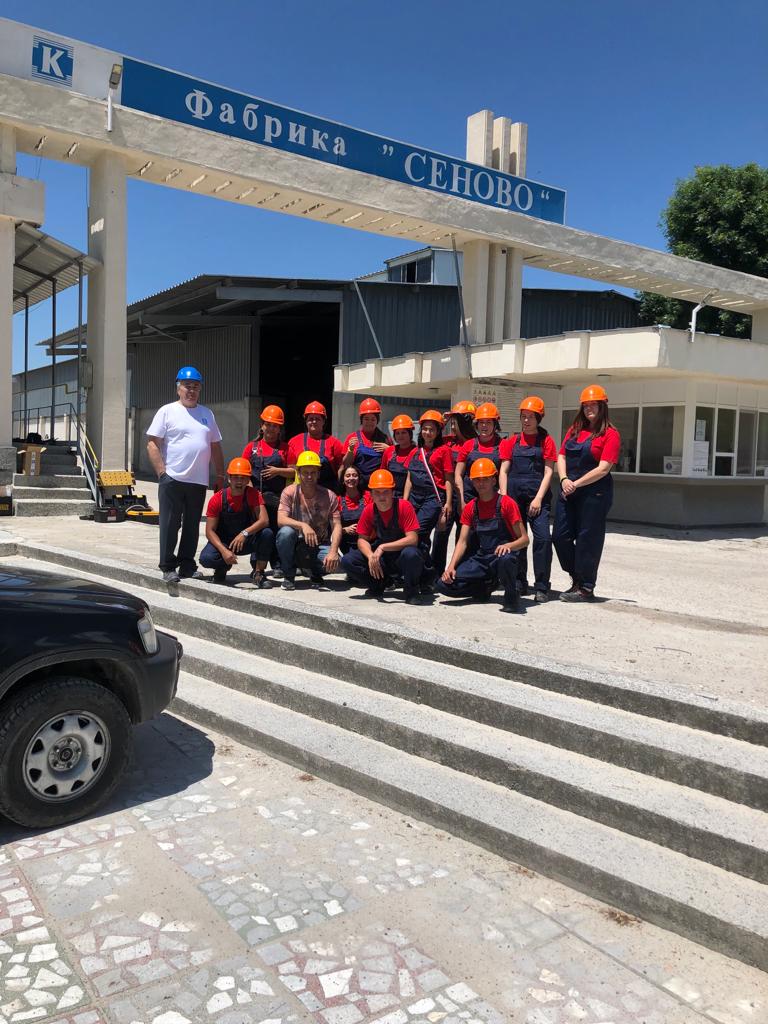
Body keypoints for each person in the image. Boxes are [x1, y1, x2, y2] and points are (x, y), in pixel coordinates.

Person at [146, 366, 225, 584]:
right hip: (173, 478)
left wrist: (220, 475)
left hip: (198, 481)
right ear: (178, 388)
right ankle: (168, 566)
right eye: (187, 386)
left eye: (195, 387)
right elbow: (152, 444)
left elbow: (215, 446)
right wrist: (162, 473)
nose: (191, 391)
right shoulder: (167, 411)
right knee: (170, 524)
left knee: (192, 525)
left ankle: (187, 565)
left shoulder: (207, 414)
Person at [553, 384, 621, 602]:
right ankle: (576, 577)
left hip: (595, 493)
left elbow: (603, 468)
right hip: (569, 489)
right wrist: (564, 479)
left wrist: (576, 483)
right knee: (560, 536)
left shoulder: (610, 434)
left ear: (602, 407)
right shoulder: (574, 430)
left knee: (587, 539)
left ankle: (585, 587)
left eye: (593, 404)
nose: (589, 408)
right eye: (586, 405)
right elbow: (561, 456)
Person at [436, 458, 528, 613]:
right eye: (477, 480)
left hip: (504, 557)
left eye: (485, 479)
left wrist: (509, 546)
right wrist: (451, 567)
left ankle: (511, 596)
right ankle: (483, 587)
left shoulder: (506, 503)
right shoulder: (471, 507)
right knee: (443, 585)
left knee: (506, 559)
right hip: (483, 558)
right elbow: (462, 542)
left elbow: (524, 539)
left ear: (494, 480)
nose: (481, 483)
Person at [499, 396, 557, 603]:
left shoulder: (547, 441)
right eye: (523, 416)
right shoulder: (511, 442)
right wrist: (504, 496)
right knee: (517, 540)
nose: (526, 421)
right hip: (514, 497)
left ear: (539, 418)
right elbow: (503, 470)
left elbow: (549, 472)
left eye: (531, 417)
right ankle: (519, 581)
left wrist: (539, 499)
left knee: (543, 539)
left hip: (537, 498)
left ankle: (542, 586)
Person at [341, 468, 426, 604]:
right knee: (347, 560)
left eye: (385, 492)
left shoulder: (404, 506)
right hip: (383, 559)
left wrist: (383, 547)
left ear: (392, 492)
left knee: (412, 554)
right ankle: (378, 584)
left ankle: (412, 591)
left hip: (401, 556)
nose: (381, 497)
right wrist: (370, 556)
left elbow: (413, 539)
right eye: (377, 492)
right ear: (371, 494)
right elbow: (362, 540)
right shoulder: (369, 510)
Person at [199, 458, 274, 587]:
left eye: (243, 478)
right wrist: (223, 551)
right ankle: (222, 567)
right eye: (236, 477)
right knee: (206, 559)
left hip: (247, 540)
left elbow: (264, 520)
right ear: (229, 478)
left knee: (267, 534)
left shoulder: (253, 494)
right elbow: (210, 531)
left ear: (248, 480)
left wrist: (244, 533)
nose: (239, 481)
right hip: (225, 541)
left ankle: (259, 573)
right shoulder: (217, 499)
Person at [276, 450, 342, 591]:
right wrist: (303, 526)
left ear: (318, 474)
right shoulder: (289, 492)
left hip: (319, 544)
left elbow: (337, 526)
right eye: (305, 472)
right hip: (295, 543)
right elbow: (280, 519)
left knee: (337, 563)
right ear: (298, 473)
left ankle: (314, 572)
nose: (309, 476)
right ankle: (289, 575)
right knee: (285, 533)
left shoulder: (330, 496)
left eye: (313, 472)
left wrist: (334, 551)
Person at [242, 405, 293, 578]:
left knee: (277, 530)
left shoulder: (285, 448)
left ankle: (277, 564)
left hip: (277, 499)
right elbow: (244, 472)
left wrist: (278, 471)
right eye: (268, 424)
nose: (271, 428)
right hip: (256, 498)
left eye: (275, 425)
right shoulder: (251, 447)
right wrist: (250, 492)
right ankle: (256, 565)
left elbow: (295, 471)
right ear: (262, 426)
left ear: (280, 429)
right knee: (259, 530)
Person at [431, 400, 476, 576]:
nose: (452, 426)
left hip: (468, 496)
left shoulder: (476, 444)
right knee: (441, 533)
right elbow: (430, 439)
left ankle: (459, 572)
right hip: (448, 496)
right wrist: (441, 422)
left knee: (464, 536)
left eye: (455, 422)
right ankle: (435, 574)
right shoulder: (447, 442)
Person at [404, 410, 450, 564]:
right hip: (414, 497)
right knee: (411, 532)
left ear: (438, 432)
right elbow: (409, 478)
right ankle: (419, 567)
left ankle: (425, 568)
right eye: (425, 429)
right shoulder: (415, 452)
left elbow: (448, 479)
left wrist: (448, 503)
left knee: (419, 531)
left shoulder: (444, 451)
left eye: (431, 430)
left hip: (432, 498)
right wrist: (405, 501)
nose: (427, 432)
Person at [455, 401, 503, 513]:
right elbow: (458, 474)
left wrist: (502, 498)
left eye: (488, 422)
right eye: (481, 422)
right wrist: (461, 501)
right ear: (477, 424)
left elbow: (504, 474)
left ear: (495, 425)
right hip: (469, 498)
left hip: (492, 500)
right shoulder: (468, 445)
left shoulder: (503, 445)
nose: (484, 426)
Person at [287, 401, 345, 493]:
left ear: (323, 421)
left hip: (327, 493)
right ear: (306, 421)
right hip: (302, 494)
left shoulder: (334, 443)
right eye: (310, 419)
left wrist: (338, 488)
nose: (314, 421)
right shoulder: (294, 442)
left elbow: (341, 467)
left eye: (317, 419)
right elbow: (291, 470)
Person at [341, 398, 390, 489]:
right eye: (366, 419)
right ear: (361, 420)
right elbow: (346, 464)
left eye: (373, 419)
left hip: (378, 485)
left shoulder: (385, 439)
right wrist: (350, 450)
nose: (369, 422)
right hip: (357, 486)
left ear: (377, 421)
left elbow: (394, 463)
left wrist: (389, 450)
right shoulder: (352, 437)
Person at [380, 414, 418, 498]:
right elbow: (383, 473)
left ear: (410, 434)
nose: (400, 436)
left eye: (404, 432)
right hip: (390, 496)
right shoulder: (389, 451)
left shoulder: (417, 452)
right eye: (397, 433)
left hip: (411, 497)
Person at [338, 464, 371, 554]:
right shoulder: (338, 500)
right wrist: (345, 530)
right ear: (343, 480)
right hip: (346, 545)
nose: (351, 478)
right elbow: (333, 528)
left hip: (367, 542)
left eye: (354, 475)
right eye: (348, 476)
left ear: (359, 479)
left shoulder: (368, 496)